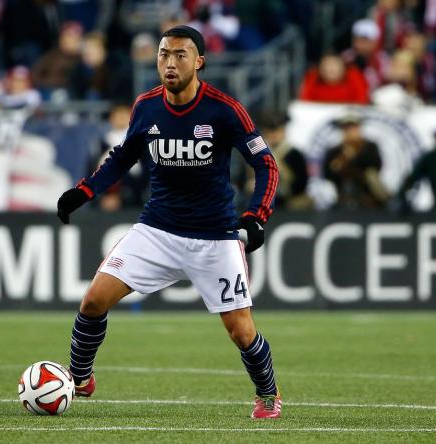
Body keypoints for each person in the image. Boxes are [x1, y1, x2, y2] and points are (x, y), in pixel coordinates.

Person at [56, 25, 282, 419]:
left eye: (180, 55)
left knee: (241, 332)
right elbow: (123, 157)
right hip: (157, 229)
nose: (170, 62)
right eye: (163, 54)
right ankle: (78, 376)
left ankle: (268, 393)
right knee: (93, 301)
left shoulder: (224, 110)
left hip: (214, 236)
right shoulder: (145, 106)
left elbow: (265, 163)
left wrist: (255, 217)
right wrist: (84, 191)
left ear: (199, 62)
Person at [323, 114, 389, 209]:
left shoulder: (370, 146)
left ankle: (387, 203)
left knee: (371, 174)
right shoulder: (335, 150)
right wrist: (343, 159)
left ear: (359, 128)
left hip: (368, 192)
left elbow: (376, 165)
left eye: (353, 127)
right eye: (346, 128)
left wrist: (354, 154)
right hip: (343, 191)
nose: (350, 131)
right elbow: (328, 174)